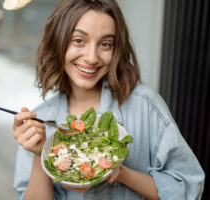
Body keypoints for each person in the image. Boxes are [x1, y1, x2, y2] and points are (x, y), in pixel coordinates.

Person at [12, 0, 205, 199]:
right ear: (58, 42)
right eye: (79, 40)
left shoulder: (144, 105)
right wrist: (39, 155)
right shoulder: (40, 120)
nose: (92, 57)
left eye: (105, 44)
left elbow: (188, 188)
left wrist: (120, 173)